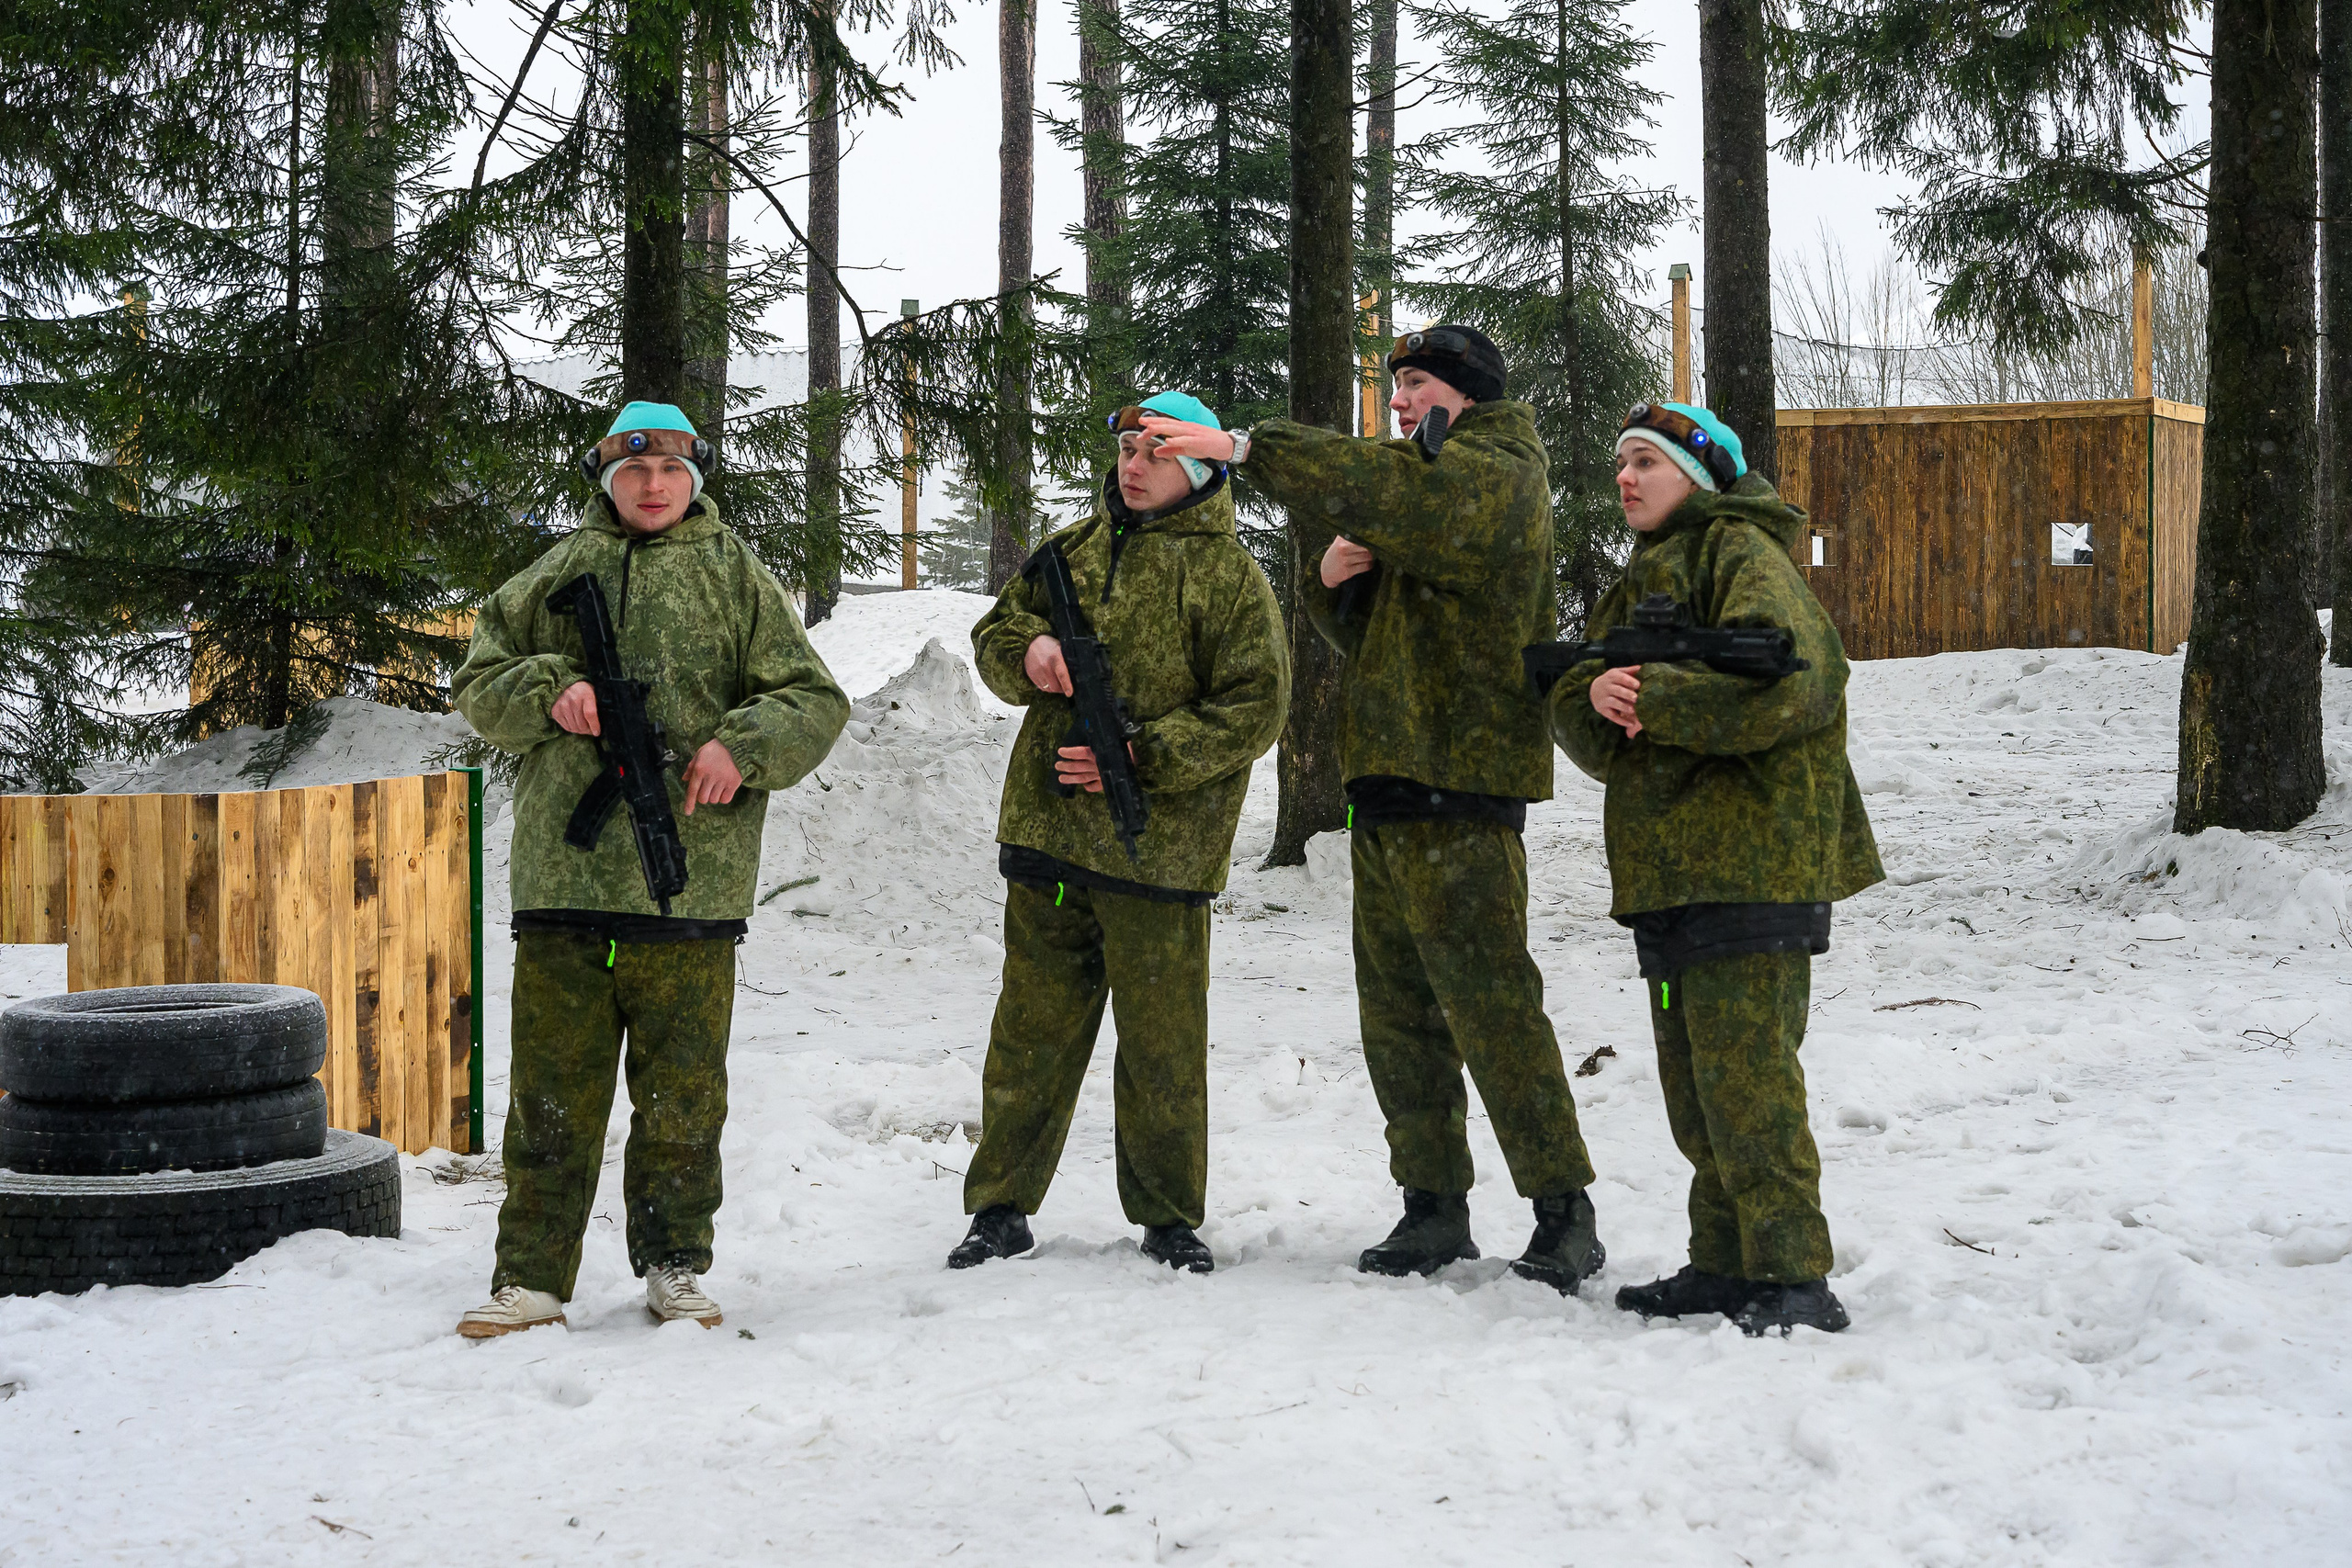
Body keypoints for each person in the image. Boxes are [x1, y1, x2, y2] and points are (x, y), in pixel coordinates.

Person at [1146, 328, 1605, 1293]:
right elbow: (1380, 636)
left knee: (1493, 1010)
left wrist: (1248, 449)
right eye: (1396, 385)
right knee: (1398, 1018)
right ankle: (1431, 1204)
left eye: (1417, 383)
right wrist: (1329, 590)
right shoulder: (1428, 482)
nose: (1398, 401)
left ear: (1468, 393)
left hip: (1464, 791)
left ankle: (1564, 1212)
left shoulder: (1497, 473)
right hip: (1393, 790)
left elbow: (1393, 493)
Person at [448, 400, 848, 1337]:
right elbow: (479, 679)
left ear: (693, 478)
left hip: (691, 885)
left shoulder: (735, 576)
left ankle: (675, 1265)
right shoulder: (556, 572)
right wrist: (553, 691)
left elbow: (814, 698)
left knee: (682, 1099)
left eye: (669, 470)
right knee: (550, 1096)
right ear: (608, 478)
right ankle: (531, 1278)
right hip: (564, 884)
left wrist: (742, 747)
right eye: (633, 471)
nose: (653, 486)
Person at [1546, 400, 1883, 1336]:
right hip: (1673, 870)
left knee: (1749, 1082)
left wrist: (1655, 697)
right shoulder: (1646, 572)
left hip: (1753, 862)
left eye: (1645, 461)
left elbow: (1802, 684)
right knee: (1698, 1091)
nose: (1624, 477)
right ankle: (1726, 1261)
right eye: (1620, 460)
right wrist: (1592, 695)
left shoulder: (1741, 553)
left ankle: (1793, 1275)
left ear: (1697, 475)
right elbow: (1593, 716)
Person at [949, 391, 1288, 1275]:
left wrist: (1141, 756)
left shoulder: (1231, 579)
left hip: (1161, 854)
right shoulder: (1071, 551)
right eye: (1127, 448)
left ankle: (1169, 1218)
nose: (1132, 466)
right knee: (1029, 1036)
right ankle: (998, 1208)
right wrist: (1028, 653)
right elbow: (996, 632)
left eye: (1154, 453)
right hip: (1050, 837)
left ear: (1200, 471)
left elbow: (1256, 706)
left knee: (1161, 1047)